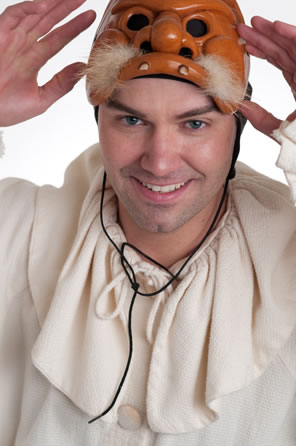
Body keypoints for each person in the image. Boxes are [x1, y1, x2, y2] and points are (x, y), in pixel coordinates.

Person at [0, 0, 296, 444]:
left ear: (238, 127)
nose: (159, 162)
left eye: (194, 123)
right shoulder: (17, 233)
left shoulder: (287, 260)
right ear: (98, 121)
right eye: (132, 120)